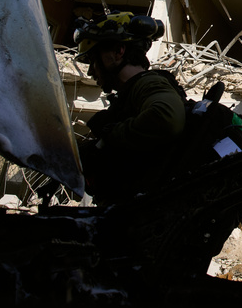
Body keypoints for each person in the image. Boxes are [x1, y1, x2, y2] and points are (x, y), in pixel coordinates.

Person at [74, 11, 186, 203]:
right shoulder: (131, 92)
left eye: (94, 60)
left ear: (119, 51)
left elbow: (168, 117)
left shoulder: (147, 84)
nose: (91, 71)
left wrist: (111, 136)